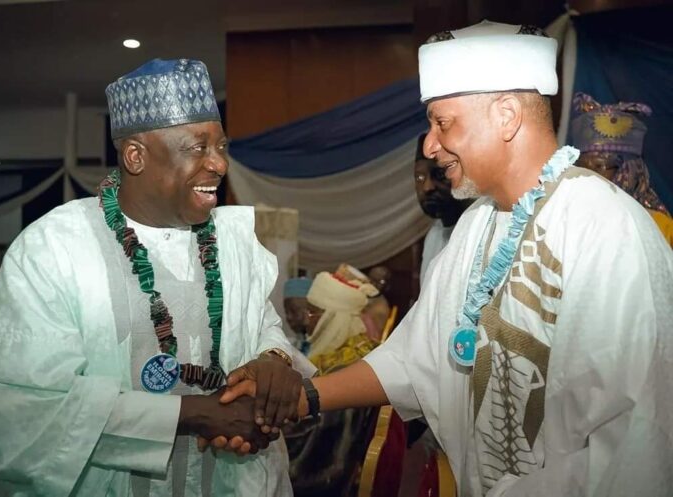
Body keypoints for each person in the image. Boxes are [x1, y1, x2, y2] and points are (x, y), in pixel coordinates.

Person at [222, 21, 673, 496]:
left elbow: (638, 436)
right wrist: (304, 397)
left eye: (442, 122)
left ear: (506, 116)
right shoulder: (478, 225)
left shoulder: (605, 227)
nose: (431, 145)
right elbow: (420, 361)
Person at [0, 58, 304, 497]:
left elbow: (262, 325)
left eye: (222, 147)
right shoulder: (54, 248)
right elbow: (23, 406)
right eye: (198, 148)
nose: (220, 165)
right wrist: (193, 414)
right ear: (136, 156)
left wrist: (273, 360)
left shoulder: (231, 240)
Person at [284, 271, 378, 497]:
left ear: (332, 318)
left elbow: (311, 446)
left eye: (313, 312)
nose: (308, 319)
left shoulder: (346, 370)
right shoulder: (357, 349)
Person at [570, 92, 673, 246]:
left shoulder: (660, 229)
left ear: (629, 172)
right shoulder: (567, 220)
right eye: (582, 167)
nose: (589, 176)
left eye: (600, 166)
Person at [414, 133, 473, 283]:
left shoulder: (475, 233)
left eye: (439, 175)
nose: (427, 187)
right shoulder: (433, 234)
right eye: (420, 177)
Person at [362, 265, 392, 341]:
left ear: (387, 286)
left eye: (380, 281)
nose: (374, 284)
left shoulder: (381, 307)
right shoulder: (361, 294)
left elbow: (373, 338)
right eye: (371, 279)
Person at [283, 277, 313, 353]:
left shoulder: (326, 346)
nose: (288, 317)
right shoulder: (292, 346)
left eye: (294, 311)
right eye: (286, 312)